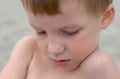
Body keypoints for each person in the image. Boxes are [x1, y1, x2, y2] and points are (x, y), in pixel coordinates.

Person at [0, 0, 120, 79]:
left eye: (70, 32)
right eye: (41, 32)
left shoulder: (99, 67)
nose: (53, 49)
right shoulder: (28, 50)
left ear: (105, 17)